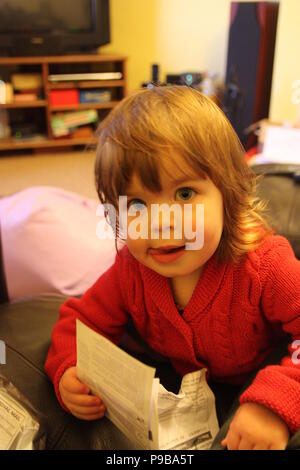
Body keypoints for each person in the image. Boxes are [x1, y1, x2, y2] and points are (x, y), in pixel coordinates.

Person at [45, 86, 300, 450]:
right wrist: (70, 367)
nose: (159, 224)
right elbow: (80, 322)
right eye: (136, 204)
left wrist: (277, 399)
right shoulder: (131, 270)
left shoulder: (266, 265)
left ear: (230, 195)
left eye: (184, 195)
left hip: (259, 373)